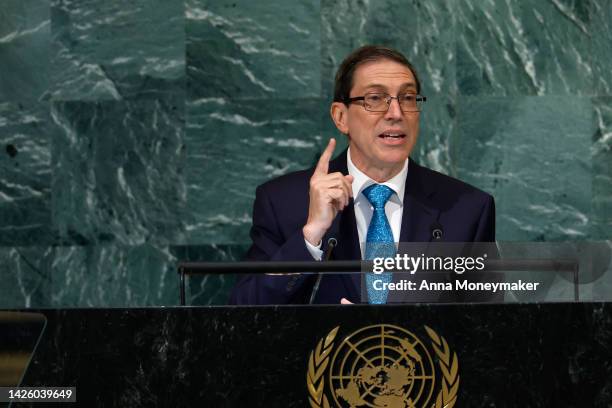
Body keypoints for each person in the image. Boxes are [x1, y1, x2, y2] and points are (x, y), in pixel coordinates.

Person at [230, 45, 495, 305]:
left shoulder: (467, 209)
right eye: (375, 99)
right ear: (341, 117)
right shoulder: (282, 202)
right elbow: (241, 315)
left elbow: (489, 328)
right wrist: (310, 236)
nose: (396, 113)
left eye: (408, 98)